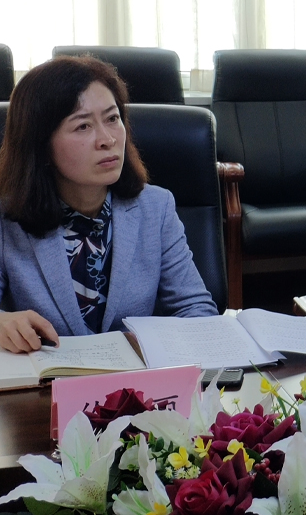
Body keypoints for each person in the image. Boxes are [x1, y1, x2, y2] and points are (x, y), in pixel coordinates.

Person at [0, 56, 217, 353]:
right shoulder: (7, 219)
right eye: (83, 126)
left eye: (113, 119)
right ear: (41, 146)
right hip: (43, 380)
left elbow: (197, 309)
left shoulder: (156, 207)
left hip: (138, 378)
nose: (107, 139)